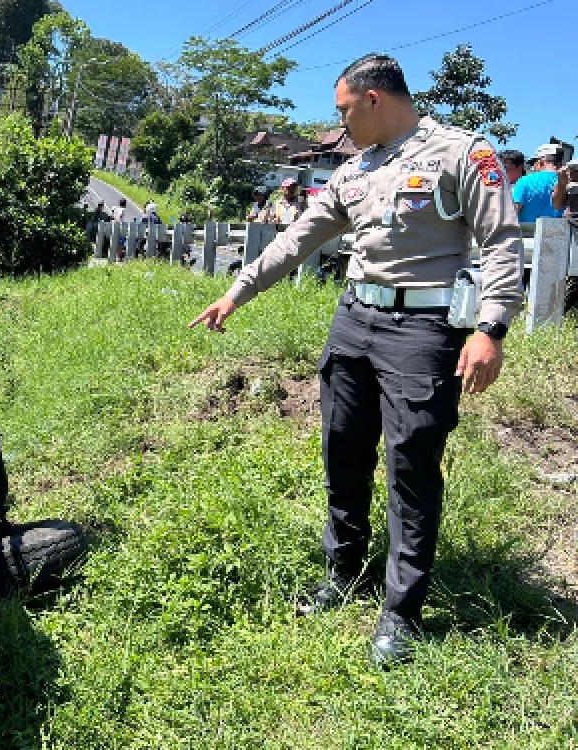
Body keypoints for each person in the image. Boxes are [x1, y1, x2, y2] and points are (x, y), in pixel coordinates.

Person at [189, 54, 523, 666]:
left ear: (373, 99)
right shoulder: (354, 170)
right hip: (354, 322)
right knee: (342, 449)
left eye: (344, 109)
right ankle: (345, 569)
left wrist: (491, 327)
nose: (340, 124)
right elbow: (299, 236)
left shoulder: (461, 153)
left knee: (411, 466)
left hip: (423, 329)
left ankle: (402, 612)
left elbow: (501, 241)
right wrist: (238, 290)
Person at [512, 144, 565, 224]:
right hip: (560, 235)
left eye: (534, 162)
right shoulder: (567, 182)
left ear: (541, 161)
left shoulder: (524, 181)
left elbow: (513, 212)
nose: (533, 167)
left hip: (527, 235)